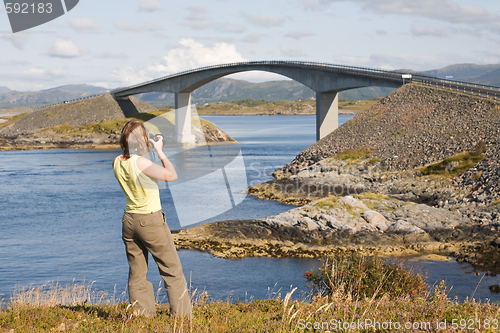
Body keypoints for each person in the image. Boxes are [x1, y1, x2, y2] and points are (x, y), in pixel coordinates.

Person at [112, 119, 192, 317]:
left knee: (137, 273)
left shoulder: (117, 161)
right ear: (142, 140)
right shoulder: (142, 162)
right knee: (172, 270)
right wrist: (161, 151)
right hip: (150, 220)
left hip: (129, 220)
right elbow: (172, 175)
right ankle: (182, 318)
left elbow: (139, 171)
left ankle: (143, 315)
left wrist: (150, 152)